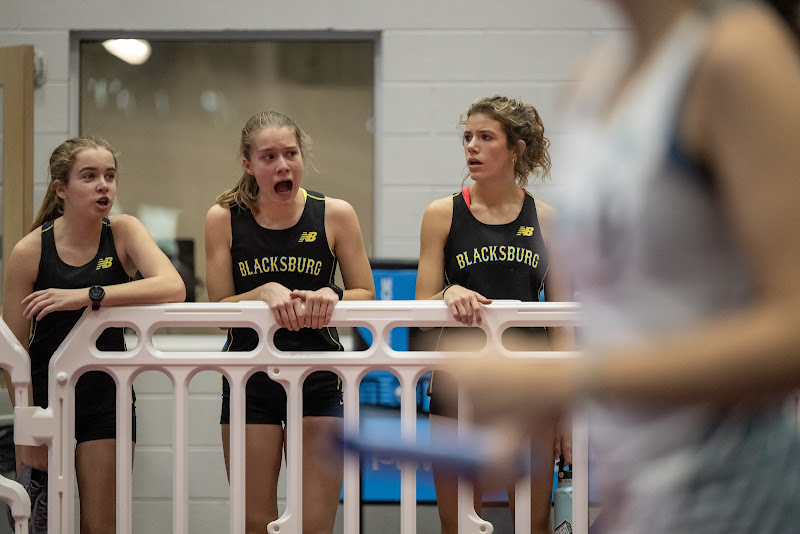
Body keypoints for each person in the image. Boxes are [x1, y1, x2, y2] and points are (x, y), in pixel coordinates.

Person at [451, 1, 800, 533]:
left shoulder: (736, 55)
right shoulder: (590, 83)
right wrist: (537, 405)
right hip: (632, 485)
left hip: (728, 480)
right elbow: (629, 311)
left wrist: (570, 378)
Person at [0, 136, 186, 533]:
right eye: (90, 176)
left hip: (107, 397)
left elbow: (173, 286)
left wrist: (88, 295)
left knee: (101, 526)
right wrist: (28, 423)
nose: (104, 185)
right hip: (46, 399)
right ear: (61, 188)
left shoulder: (123, 231)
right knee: (41, 525)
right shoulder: (30, 251)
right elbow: (12, 353)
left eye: (110, 176)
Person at [204, 110, 375, 534]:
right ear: (249, 165)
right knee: (256, 523)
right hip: (250, 378)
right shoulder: (223, 217)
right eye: (268, 157)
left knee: (316, 523)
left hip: (319, 377)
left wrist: (331, 293)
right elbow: (219, 306)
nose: (282, 165)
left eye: (290, 153)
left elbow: (365, 293)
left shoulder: (334, 214)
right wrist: (262, 291)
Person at [415, 95, 574, 534]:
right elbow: (420, 309)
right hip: (459, 381)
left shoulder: (548, 220)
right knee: (460, 525)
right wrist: (448, 293)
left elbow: (563, 320)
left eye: (486, 137)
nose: (472, 147)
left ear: (516, 149)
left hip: (530, 384)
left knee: (531, 523)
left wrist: (567, 411)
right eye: (468, 137)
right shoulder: (441, 214)